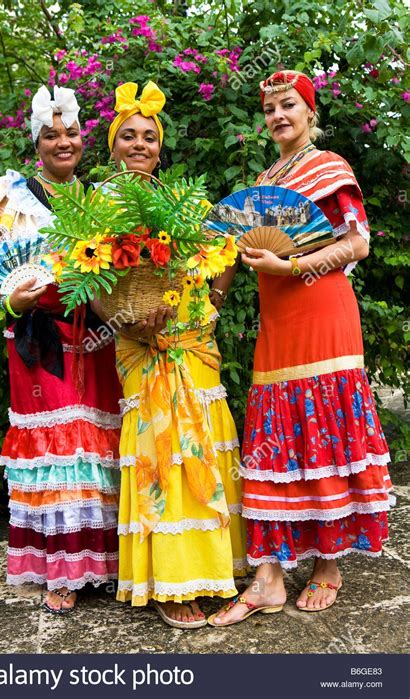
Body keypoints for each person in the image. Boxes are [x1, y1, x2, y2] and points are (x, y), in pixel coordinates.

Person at [209, 70, 393, 626]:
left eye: (289, 105)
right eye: (269, 109)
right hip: (278, 317)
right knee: (276, 429)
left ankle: (328, 564)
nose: (278, 116)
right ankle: (268, 578)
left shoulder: (330, 167)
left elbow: (357, 242)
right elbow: (235, 250)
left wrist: (291, 265)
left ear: (310, 113)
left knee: (323, 426)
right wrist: (207, 303)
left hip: (323, 311)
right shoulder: (266, 179)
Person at [105, 81, 247, 628]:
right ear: (113, 147)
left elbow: (222, 251)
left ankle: (214, 574)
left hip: (192, 342)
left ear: (160, 149)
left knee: (204, 446)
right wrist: (128, 321)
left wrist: (214, 294)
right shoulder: (95, 207)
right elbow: (87, 283)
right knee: (160, 455)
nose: (140, 144)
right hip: (140, 345)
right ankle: (171, 583)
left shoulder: (181, 203)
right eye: (129, 136)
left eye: (149, 137)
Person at [0, 85, 122, 614]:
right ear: (36, 143)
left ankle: (100, 564)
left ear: (85, 139)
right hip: (40, 340)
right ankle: (62, 569)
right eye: (51, 135)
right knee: (57, 449)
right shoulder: (12, 200)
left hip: (98, 335)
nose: (64, 142)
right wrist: (14, 299)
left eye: (72, 133)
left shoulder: (104, 200)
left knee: (97, 446)